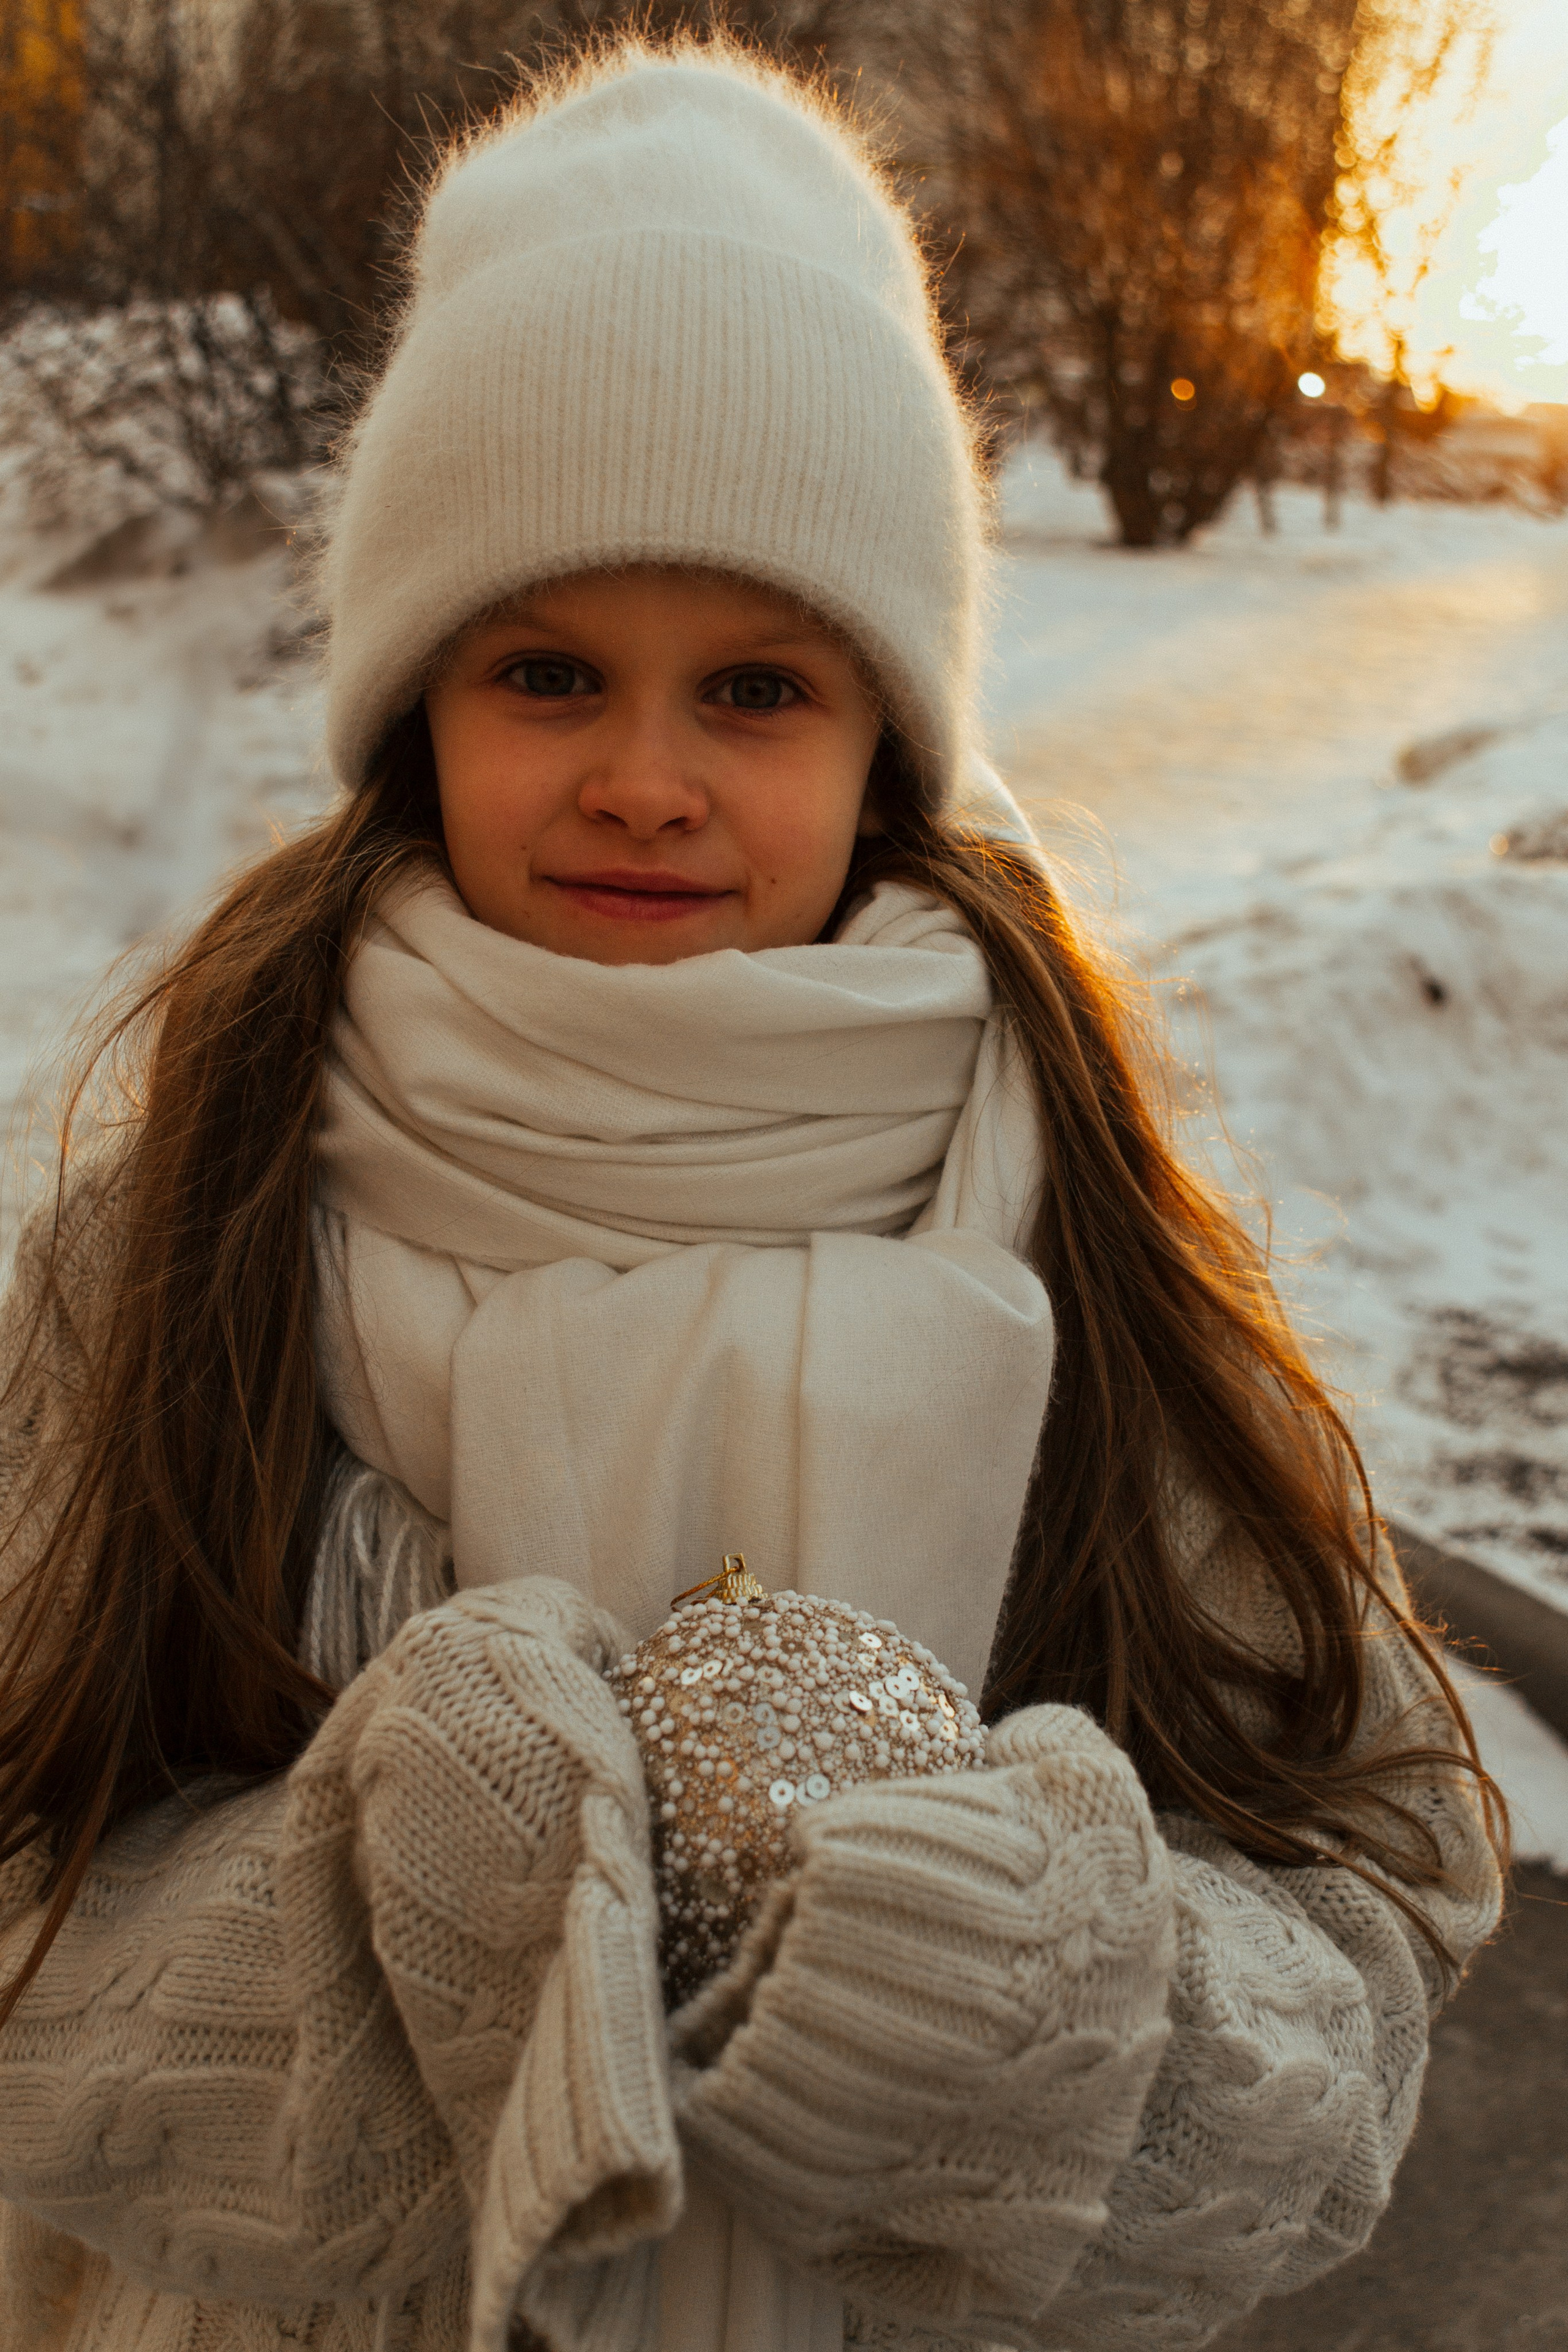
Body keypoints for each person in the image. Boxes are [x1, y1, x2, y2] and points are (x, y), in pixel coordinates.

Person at [0, 39, 1504, 2352]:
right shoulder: (190, 1225)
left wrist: (1032, 2013)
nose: (643, 777)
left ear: (886, 734)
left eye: (757, 689)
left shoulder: (1066, 1224)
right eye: (547, 671)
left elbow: (1375, 1914)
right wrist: (374, 1947)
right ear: (415, 707)